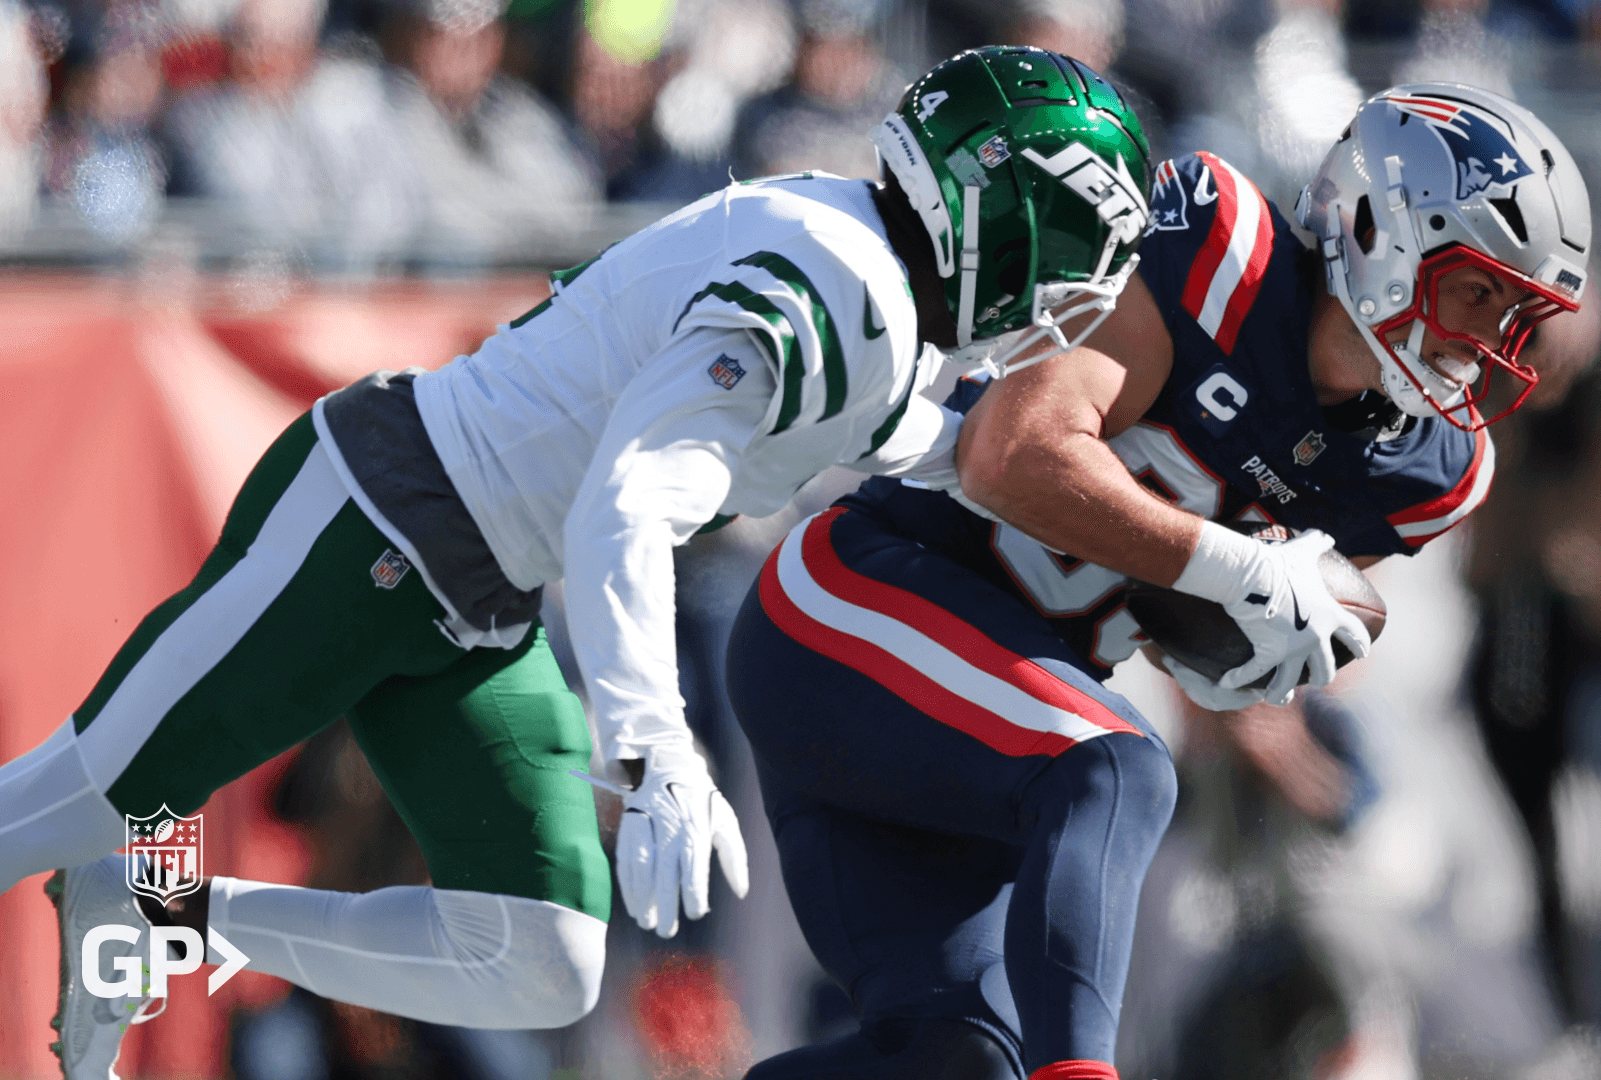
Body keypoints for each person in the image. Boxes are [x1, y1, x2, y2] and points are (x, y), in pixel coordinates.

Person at [0, 45, 1151, 1080]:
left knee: (538, 956)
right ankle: (118, 872)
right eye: (1071, 261)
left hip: (474, 599)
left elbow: (937, 446)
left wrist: (1175, 539)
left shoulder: (866, 284)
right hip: (377, 520)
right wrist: (655, 750)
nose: (1067, 303)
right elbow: (627, 501)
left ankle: (162, 913)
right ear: (1006, 222)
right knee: (69, 801)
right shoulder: (842, 287)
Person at [726, 82, 1591, 1080]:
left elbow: (1208, 633)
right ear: (1376, 228)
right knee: (1117, 770)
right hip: (857, 610)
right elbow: (1011, 454)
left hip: (982, 735)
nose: (1489, 342)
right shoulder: (1224, 259)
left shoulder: (1429, 471)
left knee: (959, 1061)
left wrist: (1250, 666)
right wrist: (1241, 566)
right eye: (1477, 292)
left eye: (1517, 313)